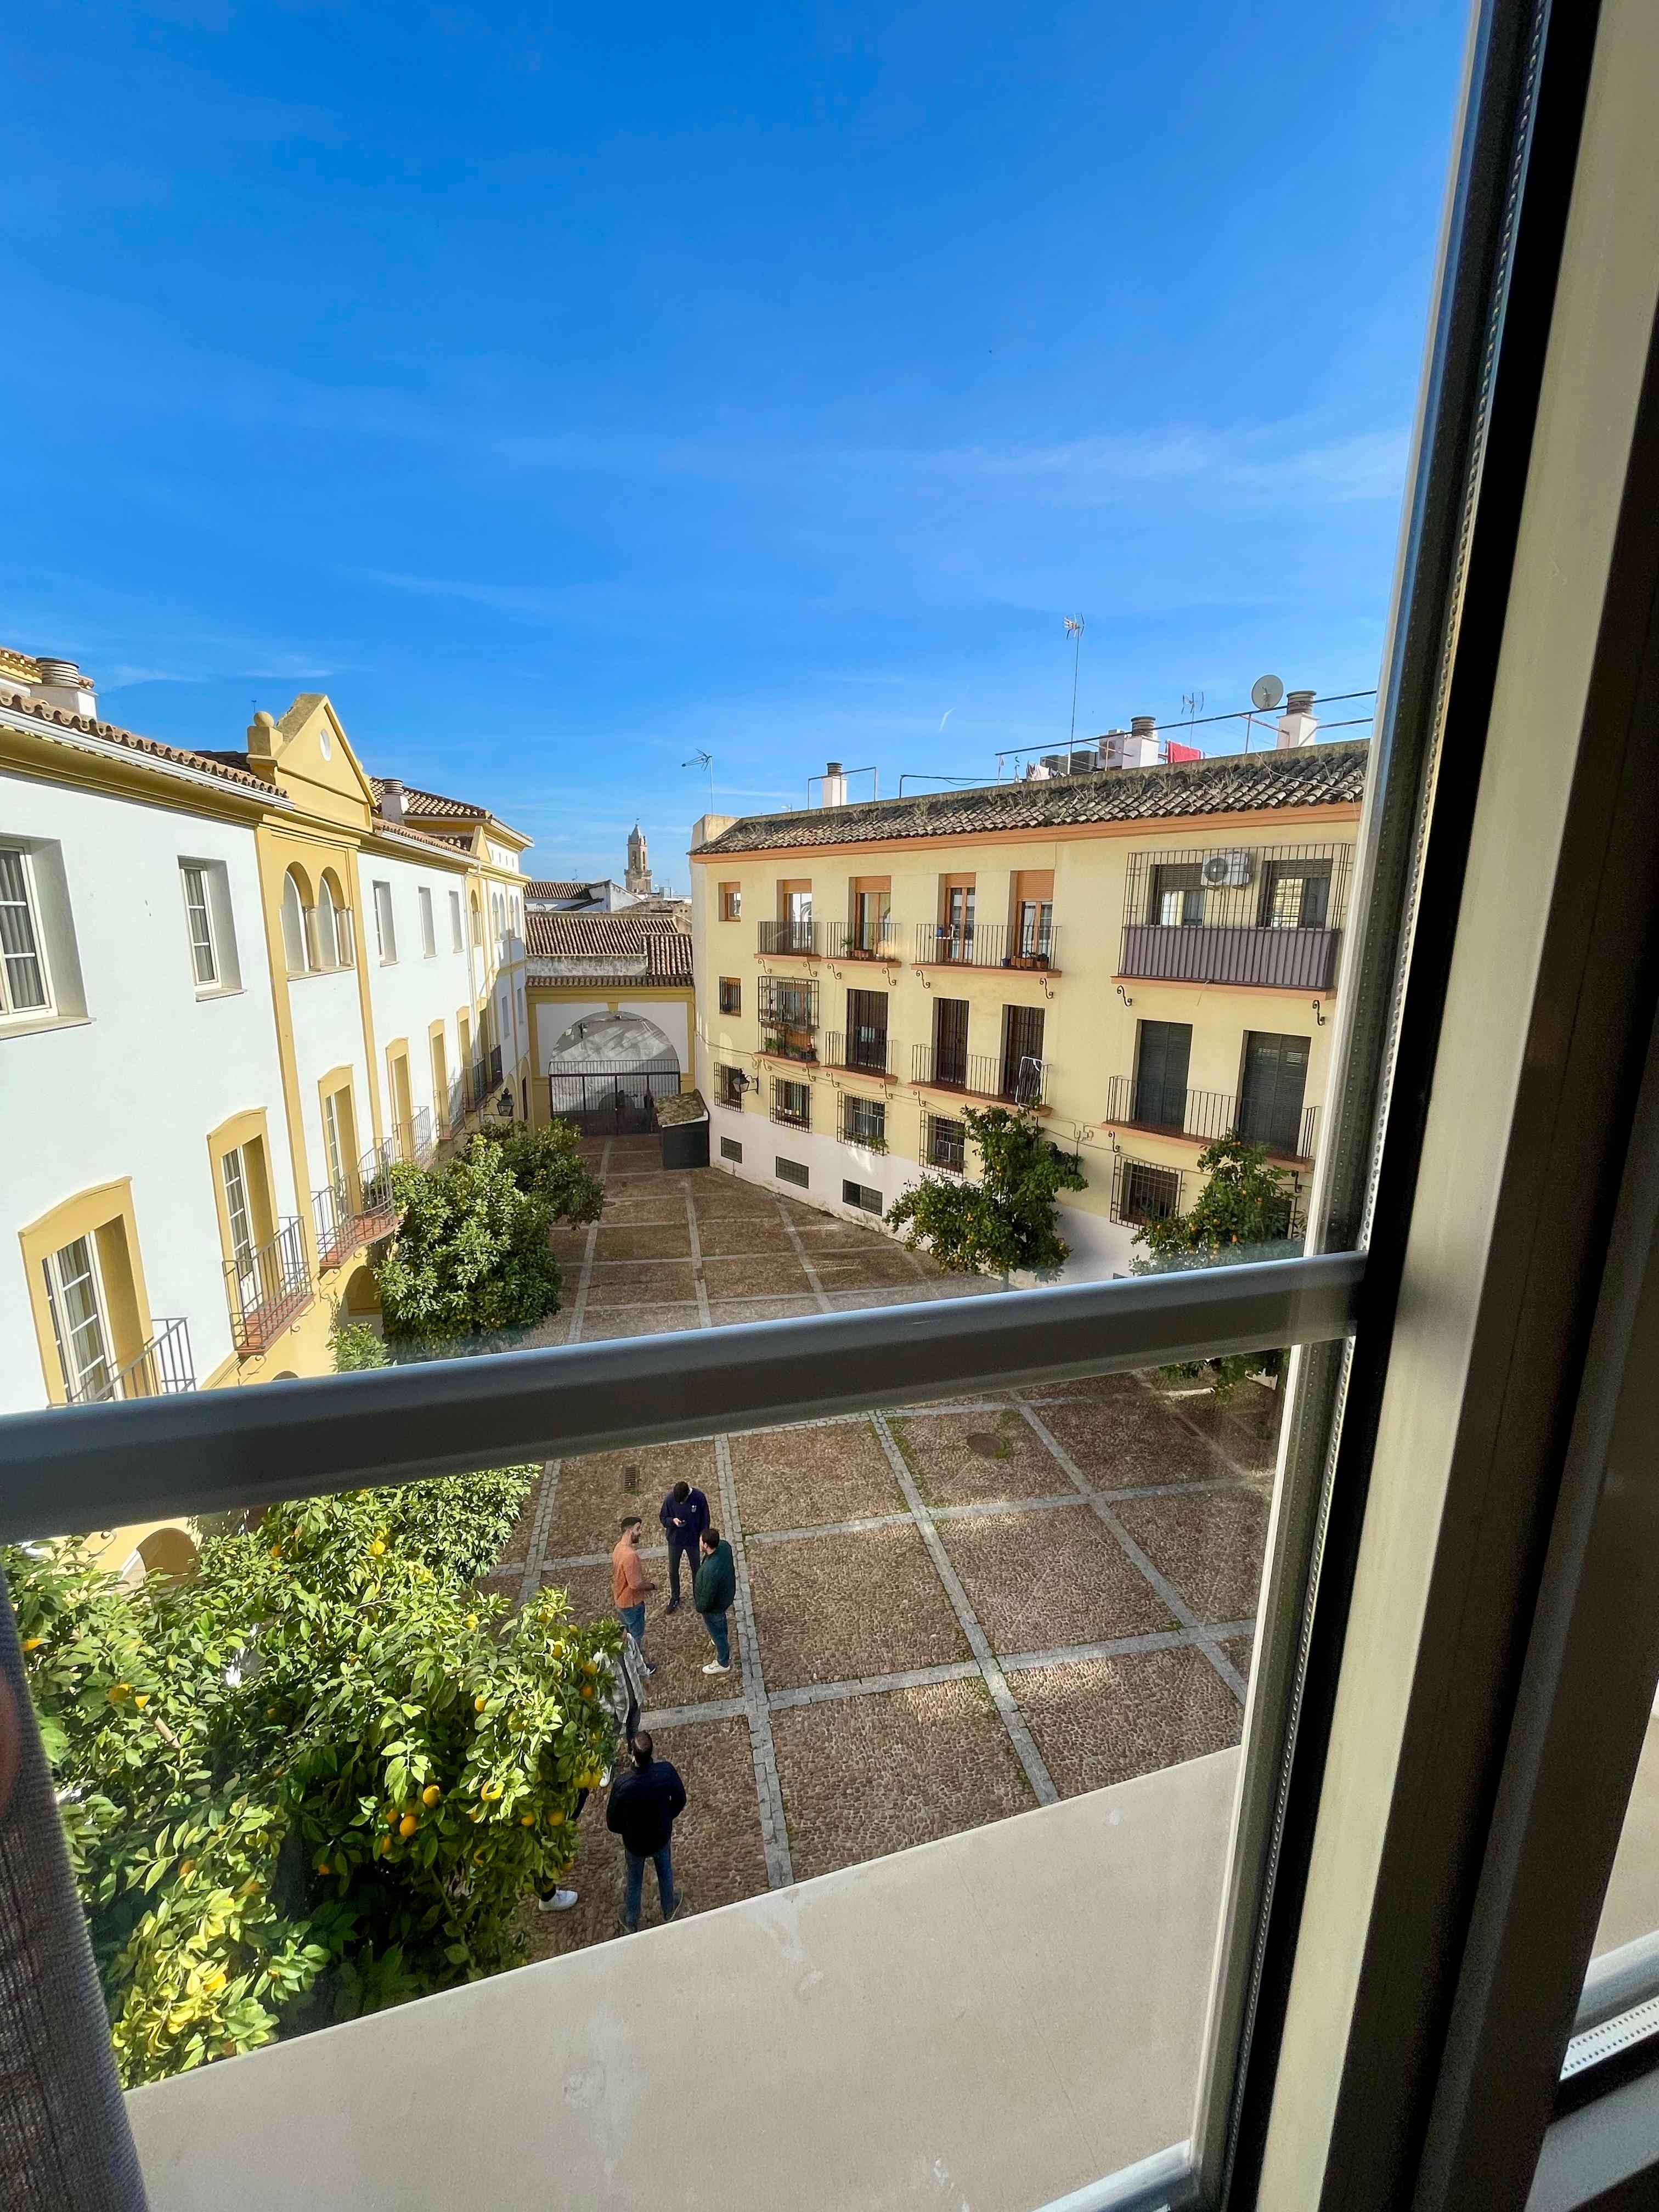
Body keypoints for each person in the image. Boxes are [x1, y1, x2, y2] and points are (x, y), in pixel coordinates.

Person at [536, 1627, 648, 1915]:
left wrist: (644, 1678)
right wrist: (605, 1709)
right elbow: (598, 1689)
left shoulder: (630, 1643)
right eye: (621, 1637)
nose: (625, 1638)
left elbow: (636, 1663)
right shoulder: (600, 1657)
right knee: (608, 1740)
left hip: (633, 1699)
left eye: (625, 1636)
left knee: (632, 1731)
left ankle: (630, 1750)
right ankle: (607, 1766)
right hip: (615, 1707)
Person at [606, 1729, 687, 1933]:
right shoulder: (666, 1772)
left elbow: (612, 1822)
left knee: (634, 1879)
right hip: (661, 1836)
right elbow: (681, 1799)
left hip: (635, 1843)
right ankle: (669, 1908)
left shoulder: (623, 1785)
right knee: (665, 1870)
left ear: (633, 1755)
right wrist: (668, 1817)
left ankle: (632, 1919)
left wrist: (627, 1831)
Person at [611, 1516, 657, 1677]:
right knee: (635, 1637)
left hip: (621, 1600)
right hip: (632, 1602)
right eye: (638, 1529)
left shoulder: (618, 1548)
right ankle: (637, 1667)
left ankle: (625, 1661)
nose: (640, 1532)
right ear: (629, 1531)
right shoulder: (630, 1556)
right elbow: (636, 1584)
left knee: (625, 1634)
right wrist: (651, 1586)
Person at [658, 1477, 710, 1613]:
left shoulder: (699, 1498)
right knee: (673, 1570)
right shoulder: (670, 1499)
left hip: (693, 1541)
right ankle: (675, 1597)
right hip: (675, 1541)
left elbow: (705, 1520)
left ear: (688, 1494)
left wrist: (703, 1539)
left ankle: (698, 1596)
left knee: (696, 1570)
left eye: (683, 1501)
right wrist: (672, 1520)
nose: (681, 1503)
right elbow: (663, 1518)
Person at [693, 1524, 736, 1675]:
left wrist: (700, 1607)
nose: (699, 1543)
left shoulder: (711, 1572)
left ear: (706, 1545)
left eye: (700, 1542)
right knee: (721, 1624)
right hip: (725, 1598)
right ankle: (721, 1638)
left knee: (717, 1631)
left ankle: (723, 1662)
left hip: (714, 1607)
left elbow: (708, 1598)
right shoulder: (724, 1547)